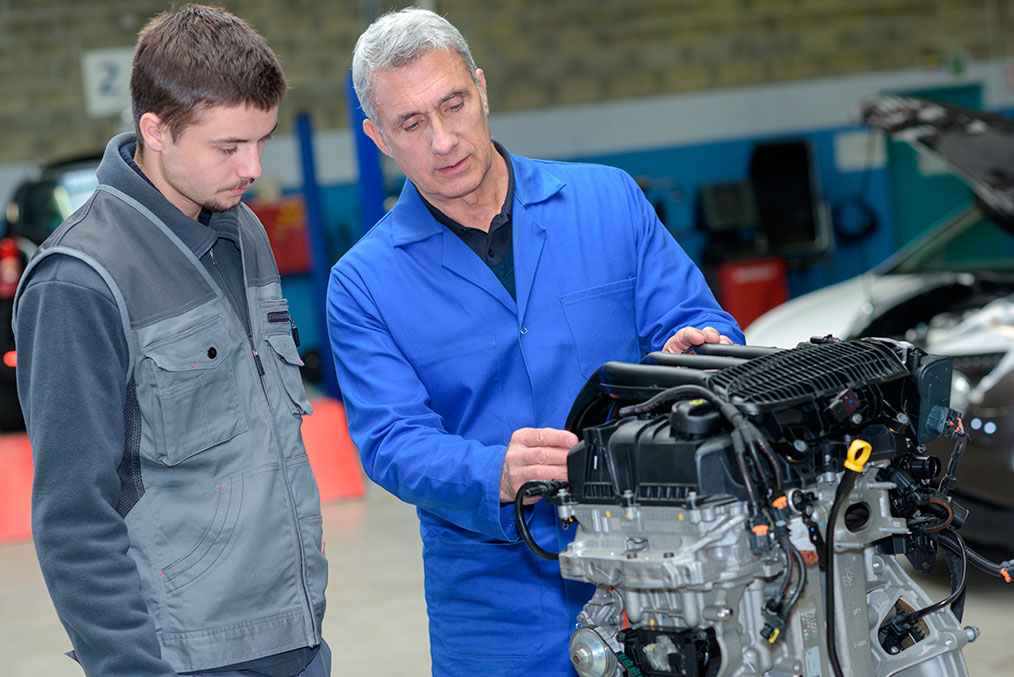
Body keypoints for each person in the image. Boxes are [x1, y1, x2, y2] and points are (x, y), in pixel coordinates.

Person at [327, 7, 742, 676]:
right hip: (495, 605)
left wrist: (700, 349)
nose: (442, 140)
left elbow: (694, 319)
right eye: (411, 123)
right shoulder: (363, 284)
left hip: (656, 562)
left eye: (453, 104)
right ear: (379, 137)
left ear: (481, 88)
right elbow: (391, 440)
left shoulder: (608, 202)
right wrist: (494, 471)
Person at [13, 5, 329, 676]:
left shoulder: (244, 231)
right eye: (229, 146)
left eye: (262, 140)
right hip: (186, 657)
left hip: (296, 638)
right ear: (154, 129)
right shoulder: (80, 279)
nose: (253, 167)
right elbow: (74, 516)